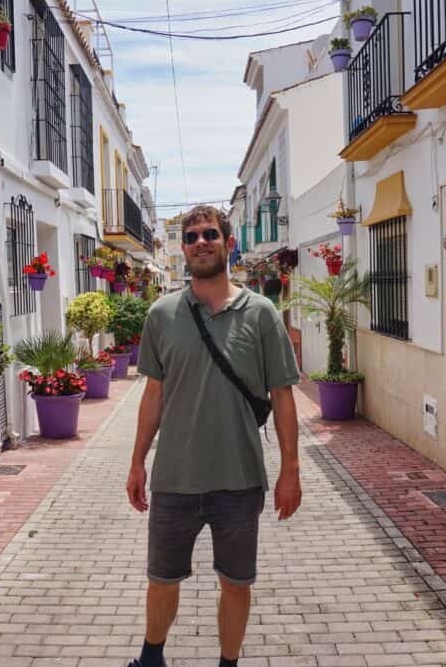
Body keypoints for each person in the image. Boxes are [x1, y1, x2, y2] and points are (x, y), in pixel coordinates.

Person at [126, 205, 302, 667]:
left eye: (210, 234)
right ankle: (151, 658)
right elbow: (154, 396)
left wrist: (291, 471)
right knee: (162, 578)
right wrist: (136, 460)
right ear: (183, 248)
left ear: (228, 242)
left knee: (237, 582)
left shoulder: (261, 314)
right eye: (191, 236)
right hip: (174, 478)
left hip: (240, 479)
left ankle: (228, 663)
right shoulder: (162, 315)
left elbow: (283, 397)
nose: (200, 242)